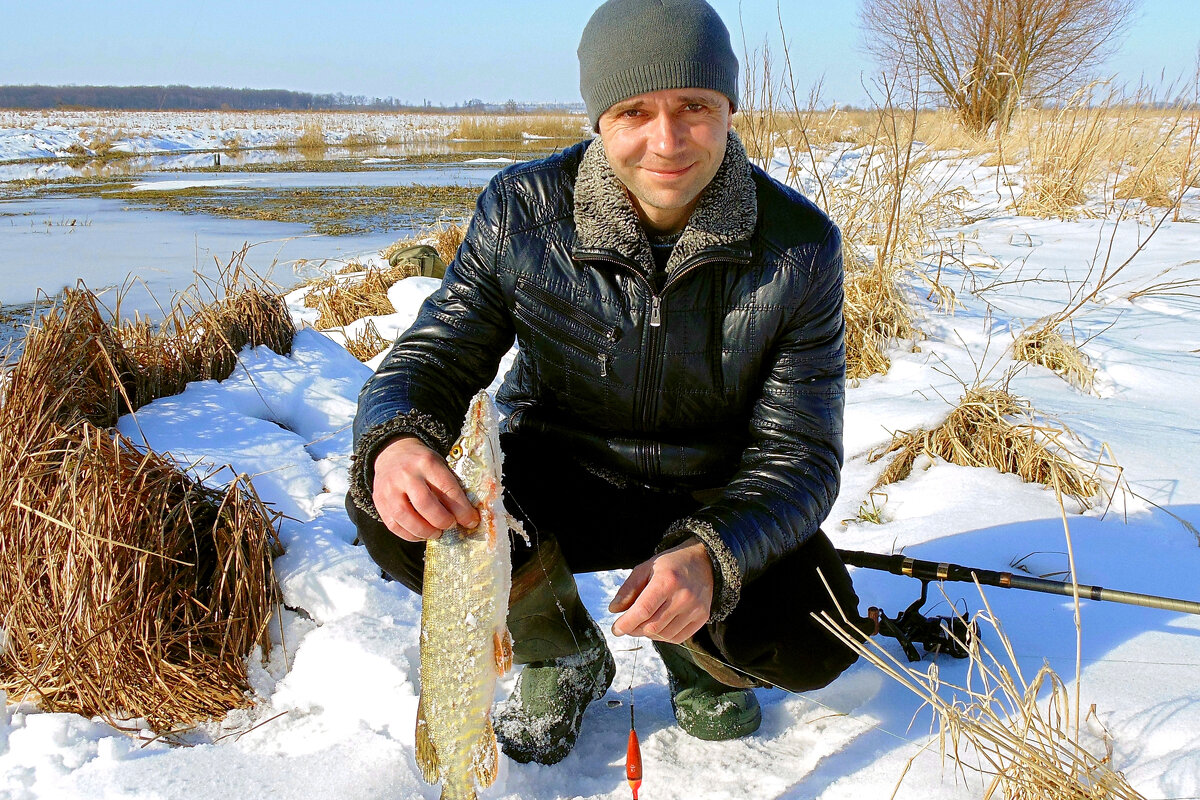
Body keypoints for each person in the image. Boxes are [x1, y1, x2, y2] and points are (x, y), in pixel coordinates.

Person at [346, 0, 865, 767]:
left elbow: (803, 455)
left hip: (710, 494)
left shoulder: (799, 248)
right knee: (392, 508)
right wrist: (393, 442)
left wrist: (713, 558)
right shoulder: (521, 213)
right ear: (599, 120)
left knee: (818, 636)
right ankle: (558, 649)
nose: (667, 141)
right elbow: (434, 357)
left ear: (729, 107)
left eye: (694, 106)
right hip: (561, 475)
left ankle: (697, 648)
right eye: (634, 112)